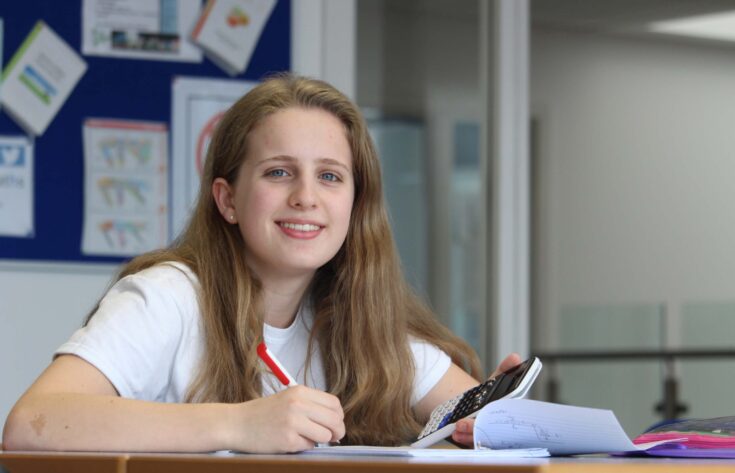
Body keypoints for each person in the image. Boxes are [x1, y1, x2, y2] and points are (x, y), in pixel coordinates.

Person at [2, 74, 520, 453]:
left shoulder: (362, 320)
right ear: (227, 200)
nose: (306, 197)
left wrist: (496, 419)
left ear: (354, 205)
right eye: (278, 172)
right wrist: (239, 425)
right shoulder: (168, 296)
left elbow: (472, 414)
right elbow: (32, 423)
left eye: (331, 177)